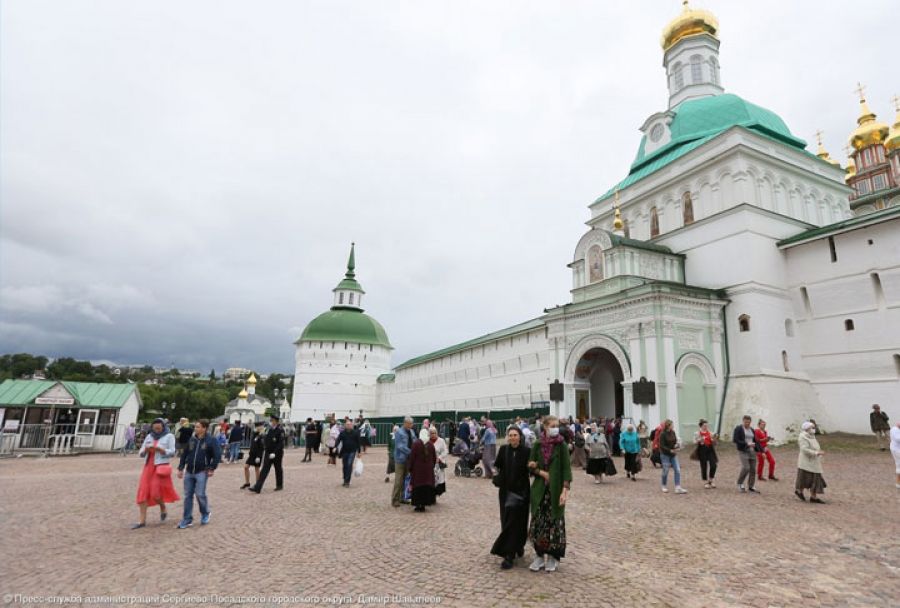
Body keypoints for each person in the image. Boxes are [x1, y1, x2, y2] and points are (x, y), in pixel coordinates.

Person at [527, 415, 572, 573]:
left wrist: (565, 490)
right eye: (552, 425)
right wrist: (539, 471)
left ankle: (553, 557)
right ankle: (539, 556)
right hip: (540, 490)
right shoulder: (538, 444)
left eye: (556, 425)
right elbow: (530, 466)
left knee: (555, 523)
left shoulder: (562, 445)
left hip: (556, 490)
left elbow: (567, 469)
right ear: (545, 427)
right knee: (539, 522)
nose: (555, 428)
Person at [491, 425, 531, 569]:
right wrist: (496, 475)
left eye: (515, 435)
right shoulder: (503, 450)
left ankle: (517, 546)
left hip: (521, 492)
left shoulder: (527, 451)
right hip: (506, 492)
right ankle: (509, 553)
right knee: (507, 521)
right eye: (511, 435)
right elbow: (497, 466)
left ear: (520, 437)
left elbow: (530, 469)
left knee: (520, 522)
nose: (513, 437)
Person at [132, 418, 179, 529]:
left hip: (160, 467)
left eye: (159, 428)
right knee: (142, 492)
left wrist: (161, 450)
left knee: (155, 493)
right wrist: (145, 451)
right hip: (148, 467)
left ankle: (162, 506)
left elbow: (172, 452)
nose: (156, 430)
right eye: (154, 428)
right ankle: (142, 521)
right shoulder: (149, 436)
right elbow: (141, 452)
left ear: (163, 427)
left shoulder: (169, 436)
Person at [176, 419, 220, 528]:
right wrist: (181, 468)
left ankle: (205, 513)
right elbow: (184, 454)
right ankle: (187, 519)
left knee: (200, 494)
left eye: (198, 427)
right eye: (195, 427)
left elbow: (217, 455)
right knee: (187, 496)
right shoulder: (191, 439)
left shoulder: (211, 440)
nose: (195, 428)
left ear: (204, 428)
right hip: (189, 471)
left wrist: (212, 468)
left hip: (202, 471)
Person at [249, 414, 285, 493]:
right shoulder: (269, 429)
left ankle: (279, 485)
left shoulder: (280, 430)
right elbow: (266, 439)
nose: (271, 422)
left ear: (276, 421)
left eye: (272, 421)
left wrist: (274, 453)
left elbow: (281, 444)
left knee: (278, 469)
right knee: (264, 470)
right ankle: (257, 487)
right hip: (268, 452)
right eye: (271, 420)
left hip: (277, 454)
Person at [795, 421, 827, 503]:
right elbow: (804, 449)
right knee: (804, 478)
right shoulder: (802, 437)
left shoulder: (812, 436)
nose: (814, 429)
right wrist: (816, 453)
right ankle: (799, 491)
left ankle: (813, 497)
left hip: (814, 461)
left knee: (815, 478)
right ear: (807, 428)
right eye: (812, 427)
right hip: (806, 462)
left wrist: (818, 452)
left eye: (814, 427)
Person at [407, 434, 436, 512]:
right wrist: (431, 466)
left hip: (418, 471)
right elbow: (434, 457)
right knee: (426, 488)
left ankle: (417, 505)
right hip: (428, 471)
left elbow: (412, 457)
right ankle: (423, 505)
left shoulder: (416, 444)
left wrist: (410, 467)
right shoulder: (431, 444)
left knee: (417, 488)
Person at [732, 415, 761, 493]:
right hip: (743, 450)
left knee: (753, 469)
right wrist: (746, 444)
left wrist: (761, 451)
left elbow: (756, 440)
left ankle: (751, 486)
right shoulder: (739, 429)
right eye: (745, 422)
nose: (747, 423)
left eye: (748, 422)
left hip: (752, 451)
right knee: (746, 467)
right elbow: (735, 440)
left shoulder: (752, 429)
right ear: (743, 421)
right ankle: (740, 483)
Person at [391, 417, 416, 507]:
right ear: (405, 423)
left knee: (406, 479)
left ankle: (403, 498)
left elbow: (415, 441)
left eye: (411, 424)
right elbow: (400, 446)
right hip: (400, 459)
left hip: (409, 460)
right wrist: (412, 452)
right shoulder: (399, 432)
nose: (410, 425)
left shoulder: (412, 432)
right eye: (409, 423)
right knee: (398, 480)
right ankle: (395, 499)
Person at [659, 419, 687, 494]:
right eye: (672, 425)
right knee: (666, 470)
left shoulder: (673, 432)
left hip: (673, 454)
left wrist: (677, 445)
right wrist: (669, 450)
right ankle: (664, 485)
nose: (673, 426)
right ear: (668, 426)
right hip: (665, 455)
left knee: (677, 469)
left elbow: (674, 441)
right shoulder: (662, 434)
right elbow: (662, 446)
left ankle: (677, 487)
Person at [335, 419, 361, 487]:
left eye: (350, 424)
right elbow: (338, 440)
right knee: (345, 466)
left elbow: (358, 442)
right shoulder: (342, 433)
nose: (349, 426)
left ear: (352, 425)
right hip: (344, 451)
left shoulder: (355, 433)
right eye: (347, 425)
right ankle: (344, 479)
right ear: (345, 426)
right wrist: (335, 447)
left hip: (352, 451)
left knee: (349, 465)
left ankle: (347, 481)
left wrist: (359, 452)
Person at [693, 419, 718, 489]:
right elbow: (694, 442)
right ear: (701, 426)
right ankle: (705, 481)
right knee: (704, 466)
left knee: (714, 464)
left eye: (707, 425)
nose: (706, 427)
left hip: (710, 449)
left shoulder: (710, 433)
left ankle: (711, 479)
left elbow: (715, 443)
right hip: (702, 449)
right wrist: (699, 440)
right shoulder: (697, 433)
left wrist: (715, 439)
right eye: (704, 425)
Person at [242, 422, 265, 489]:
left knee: (257, 469)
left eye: (259, 426)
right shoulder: (254, 433)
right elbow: (253, 444)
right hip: (252, 454)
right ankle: (247, 483)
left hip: (258, 455)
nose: (257, 428)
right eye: (256, 426)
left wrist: (258, 456)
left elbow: (262, 448)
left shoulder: (262, 435)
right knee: (246, 467)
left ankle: (257, 484)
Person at [430, 426, 448, 498]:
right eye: (432, 433)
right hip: (430, 463)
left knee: (439, 479)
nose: (433, 434)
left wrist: (439, 458)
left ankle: (436, 494)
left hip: (438, 463)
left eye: (434, 433)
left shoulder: (441, 441)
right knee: (431, 479)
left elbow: (445, 451)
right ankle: (431, 495)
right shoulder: (428, 441)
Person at [890, 420, 900, 490]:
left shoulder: (894, 429)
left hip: (895, 449)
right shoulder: (895, 430)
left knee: (898, 465)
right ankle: (898, 482)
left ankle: (898, 483)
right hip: (897, 450)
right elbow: (897, 439)